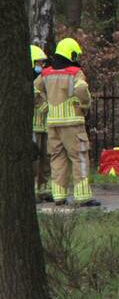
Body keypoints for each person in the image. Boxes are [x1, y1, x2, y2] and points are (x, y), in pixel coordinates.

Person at [34, 37, 99, 207]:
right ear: (71, 53)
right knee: (79, 157)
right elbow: (82, 88)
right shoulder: (74, 72)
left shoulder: (46, 73)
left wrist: (44, 107)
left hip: (53, 124)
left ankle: (59, 196)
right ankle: (83, 197)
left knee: (57, 159)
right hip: (73, 124)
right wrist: (83, 105)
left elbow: (34, 89)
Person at [30, 45, 51, 202]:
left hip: (44, 126)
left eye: (43, 63)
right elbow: (40, 103)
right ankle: (33, 191)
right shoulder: (29, 82)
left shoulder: (42, 80)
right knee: (35, 160)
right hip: (34, 127)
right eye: (39, 63)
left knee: (46, 159)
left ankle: (44, 190)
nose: (41, 66)